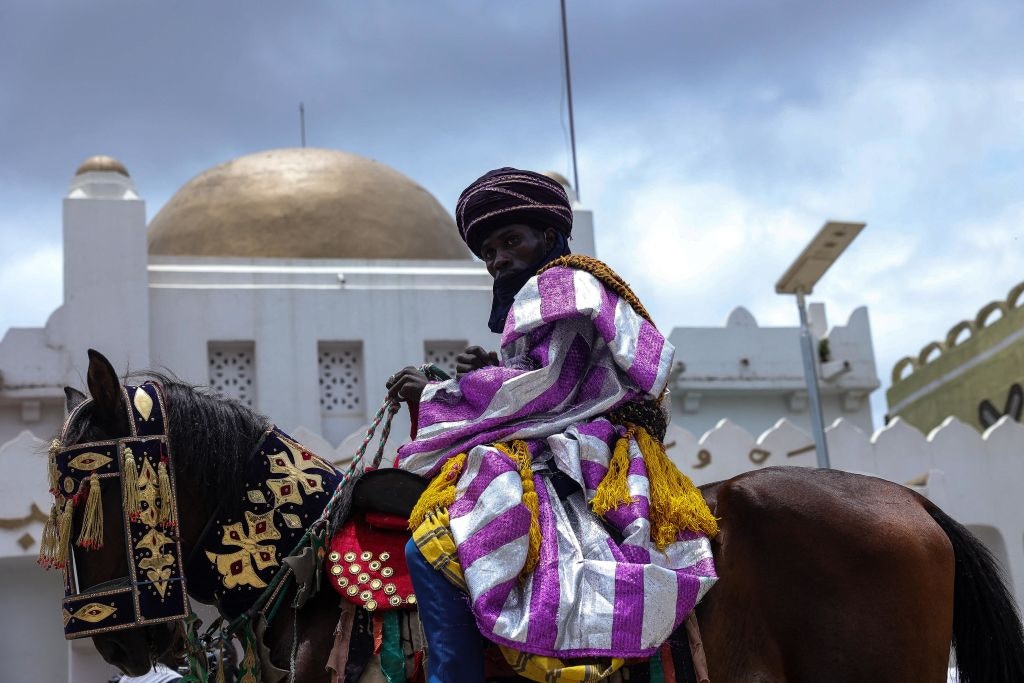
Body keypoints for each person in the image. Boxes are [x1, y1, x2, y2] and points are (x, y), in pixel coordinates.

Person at [387, 168, 718, 682]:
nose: (498, 259)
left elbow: (551, 386)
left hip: (581, 451)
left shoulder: (562, 284)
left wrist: (434, 395)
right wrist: (487, 375)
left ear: (548, 235)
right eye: (489, 252)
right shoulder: (563, 288)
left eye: (510, 240)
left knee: (432, 542)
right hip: (575, 437)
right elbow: (549, 379)